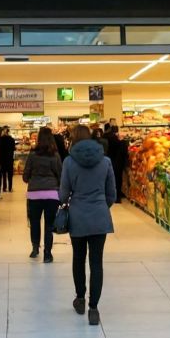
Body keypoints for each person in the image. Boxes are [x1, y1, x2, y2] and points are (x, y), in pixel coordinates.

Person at [59, 124, 116, 326]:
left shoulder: (68, 162)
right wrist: (101, 204)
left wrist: (72, 201)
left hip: (77, 216)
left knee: (78, 258)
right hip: (100, 215)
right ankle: (94, 308)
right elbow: (112, 195)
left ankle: (80, 299)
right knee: (96, 262)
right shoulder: (106, 161)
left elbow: (63, 194)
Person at [23, 131, 64, 262]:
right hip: (52, 194)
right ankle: (47, 253)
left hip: (34, 194)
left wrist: (32, 179)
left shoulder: (32, 155)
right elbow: (61, 174)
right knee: (49, 224)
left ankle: (35, 248)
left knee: (35, 222)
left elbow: (25, 176)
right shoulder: (55, 156)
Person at [104, 125, 130, 197]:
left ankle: (113, 194)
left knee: (112, 179)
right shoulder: (122, 142)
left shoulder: (108, 139)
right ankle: (118, 195)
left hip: (111, 161)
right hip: (119, 163)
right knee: (119, 179)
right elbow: (125, 153)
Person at [0, 126, 17, 194]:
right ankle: (10, 188)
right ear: (9, 132)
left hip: (2, 159)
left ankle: (4, 188)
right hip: (9, 158)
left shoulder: (1, 139)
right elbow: (14, 148)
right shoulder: (11, 139)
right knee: (10, 174)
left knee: (3, 174)